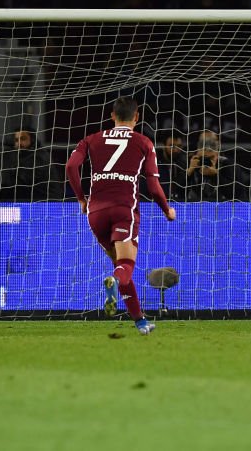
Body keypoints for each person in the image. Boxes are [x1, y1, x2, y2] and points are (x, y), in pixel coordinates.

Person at [66, 97, 176, 335]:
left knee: (120, 265)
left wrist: (81, 198)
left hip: (95, 213)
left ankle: (140, 321)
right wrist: (167, 209)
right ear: (136, 117)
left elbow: (71, 166)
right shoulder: (144, 142)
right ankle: (114, 284)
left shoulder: (91, 139)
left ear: (112, 116)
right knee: (125, 267)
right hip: (124, 209)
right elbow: (153, 185)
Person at [0, 127, 64, 202]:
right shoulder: (20, 156)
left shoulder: (39, 156)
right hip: (33, 202)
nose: (19, 143)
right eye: (16, 140)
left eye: (23, 139)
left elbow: (22, 182)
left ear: (32, 140)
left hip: (48, 204)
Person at [183, 130, 247, 202]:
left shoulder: (229, 164)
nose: (206, 161)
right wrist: (189, 172)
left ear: (217, 150)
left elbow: (237, 194)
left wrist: (215, 176)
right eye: (204, 158)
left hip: (224, 210)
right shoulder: (190, 163)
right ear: (198, 149)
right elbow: (176, 191)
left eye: (210, 158)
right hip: (194, 209)